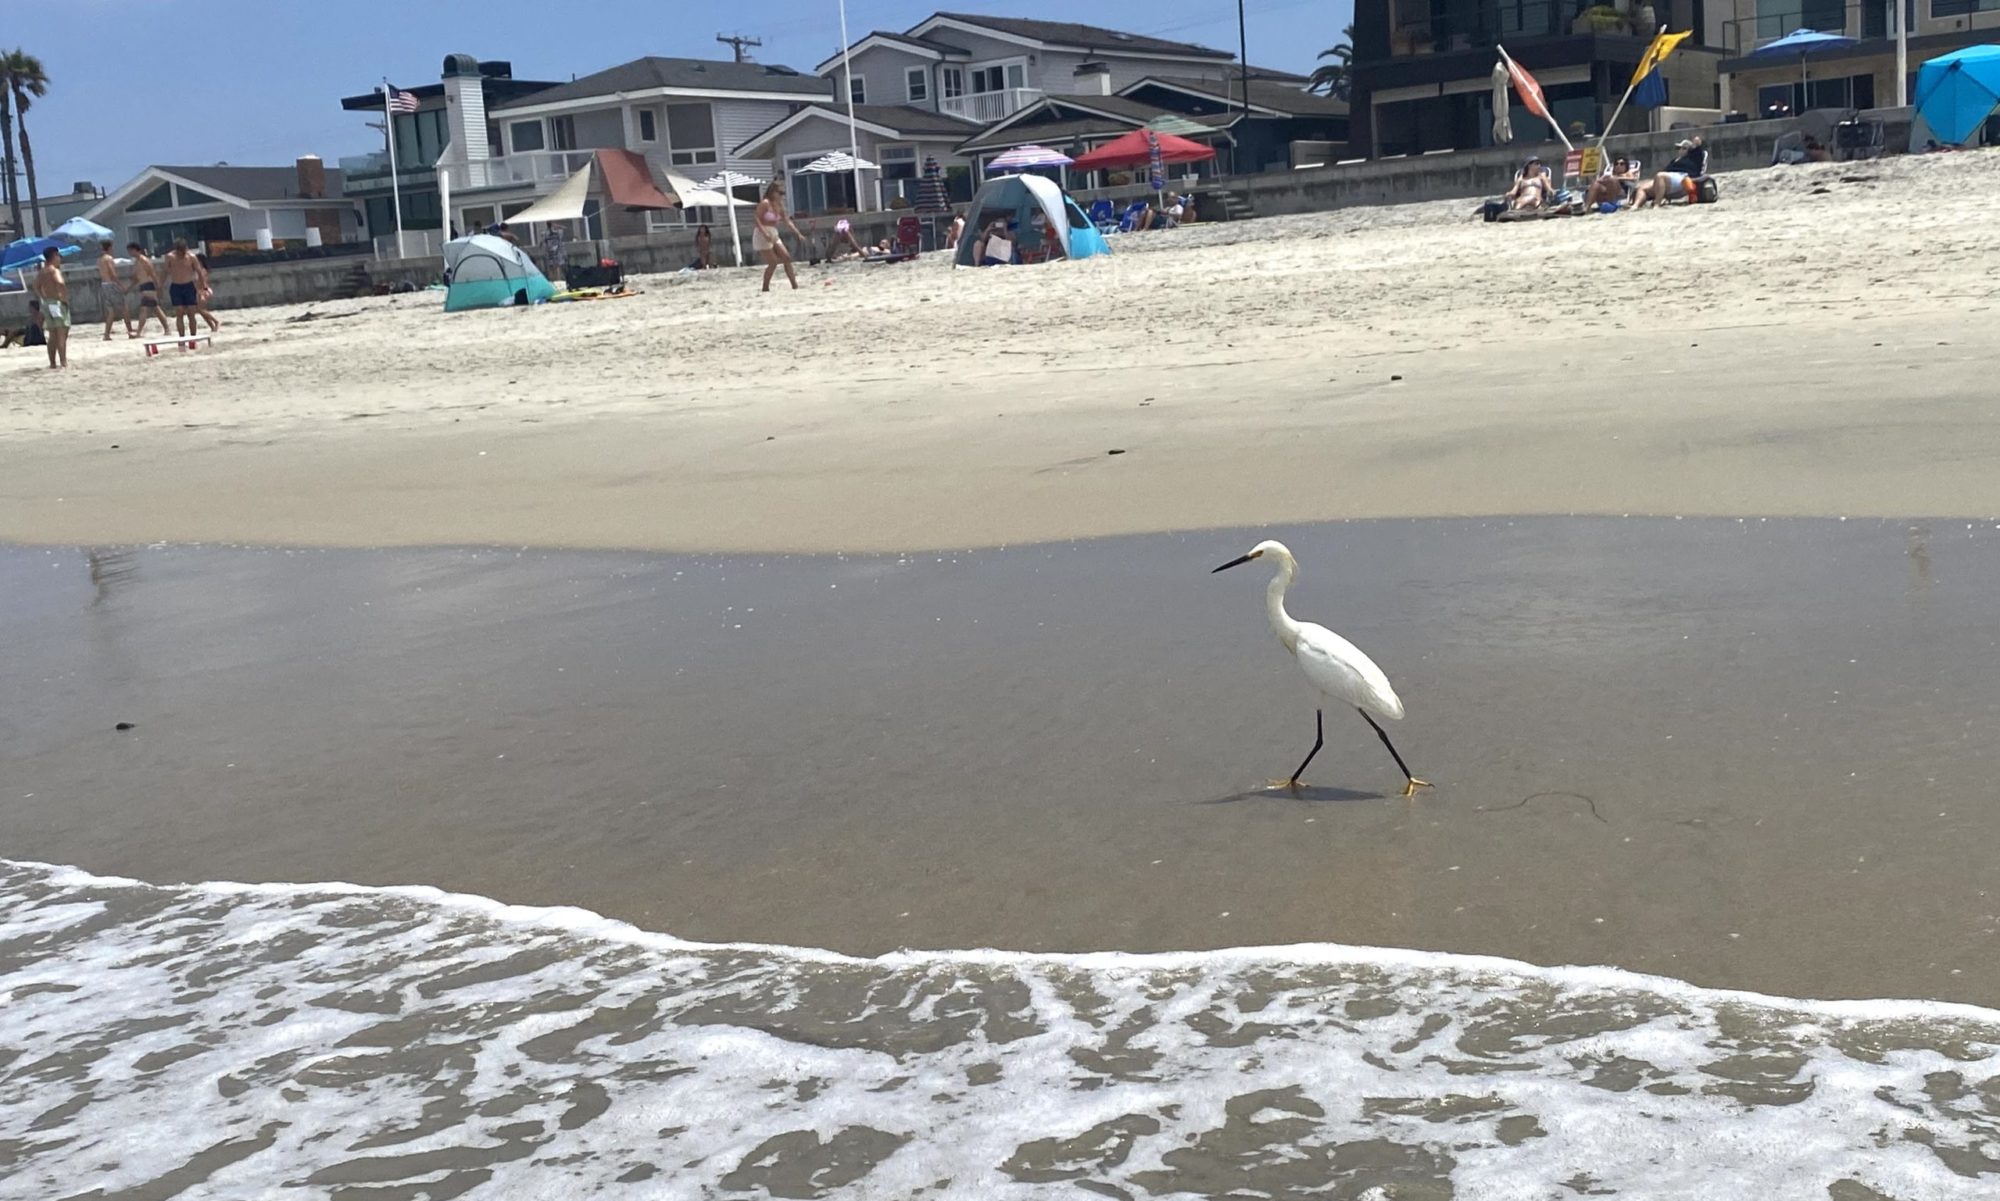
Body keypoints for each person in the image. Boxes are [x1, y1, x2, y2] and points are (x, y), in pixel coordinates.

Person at [753, 181, 805, 292]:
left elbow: (787, 221)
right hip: (762, 233)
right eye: (779, 193)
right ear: (772, 192)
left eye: (782, 194)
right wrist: (764, 233)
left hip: (773, 232)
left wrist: (798, 233)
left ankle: (794, 285)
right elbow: (756, 219)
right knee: (773, 262)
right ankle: (765, 287)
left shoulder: (779, 206)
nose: (781, 196)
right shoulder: (765, 203)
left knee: (786, 257)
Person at [164, 239, 220, 334]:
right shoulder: (170, 257)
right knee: (179, 312)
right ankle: (182, 338)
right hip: (176, 286)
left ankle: (193, 338)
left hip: (189, 286)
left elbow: (200, 273)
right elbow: (164, 272)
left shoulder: (191, 257)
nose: (182, 254)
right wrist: (160, 285)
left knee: (191, 313)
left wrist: (203, 288)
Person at [33, 246, 70, 369]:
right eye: (58, 256)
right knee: (61, 333)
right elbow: (60, 283)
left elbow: (36, 286)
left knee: (52, 334)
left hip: (47, 303)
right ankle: (63, 361)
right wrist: (63, 297)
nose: (59, 259)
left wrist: (43, 297)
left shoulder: (42, 271)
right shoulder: (54, 270)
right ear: (54, 256)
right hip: (57, 303)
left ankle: (52, 362)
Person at [127, 243, 169, 337]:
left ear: (135, 250)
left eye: (130, 250)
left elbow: (152, 273)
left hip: (148, 286)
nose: (130, 253)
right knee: (156, 309)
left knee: (144, 309)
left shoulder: (143, 260)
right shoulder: (137, 261)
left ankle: (139, 332)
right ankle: (167, 329)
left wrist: (158, 287)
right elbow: (137, 278)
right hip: (144, 286)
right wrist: (129, 288)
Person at [97, 241, 134, 340]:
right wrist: (121, 285)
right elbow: (112, 274)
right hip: (111, 285)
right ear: (109, 248)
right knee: (124, 308)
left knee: (110, 311)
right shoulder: (108, 259)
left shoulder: (100, 260)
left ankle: (106, 334)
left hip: (104, 285)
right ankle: (130, 331)